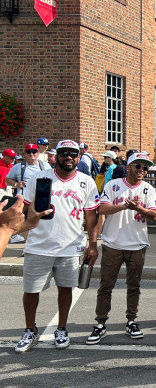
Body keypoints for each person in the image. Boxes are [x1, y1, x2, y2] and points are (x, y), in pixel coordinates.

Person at [14, 140, 100, 353]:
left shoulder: (86, 182)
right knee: (31, 290)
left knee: (65, 289)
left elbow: (91, 217)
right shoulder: (39, 178)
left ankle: (61, 329)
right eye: (63, 153)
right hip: (38, 245)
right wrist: (24, 228)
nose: (68, 157)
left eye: (72, 153)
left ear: (78, 157)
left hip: (70, 246)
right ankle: (30, 329)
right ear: (56, 156)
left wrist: (93, 245)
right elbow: (23, 209)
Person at [86, 152, 156, 344]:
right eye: (138, 166)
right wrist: (124, 206)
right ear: (128, 167)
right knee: (105, 286)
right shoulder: (113, 185)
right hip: (113, 244)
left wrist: (139, 209)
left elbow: (153, 215)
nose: (142, 170)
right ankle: (100, 323)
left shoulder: (148, 189)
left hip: (137, 244)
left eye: (145, 167)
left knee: (134, 286)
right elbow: (101, 209)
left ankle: (131, 321)